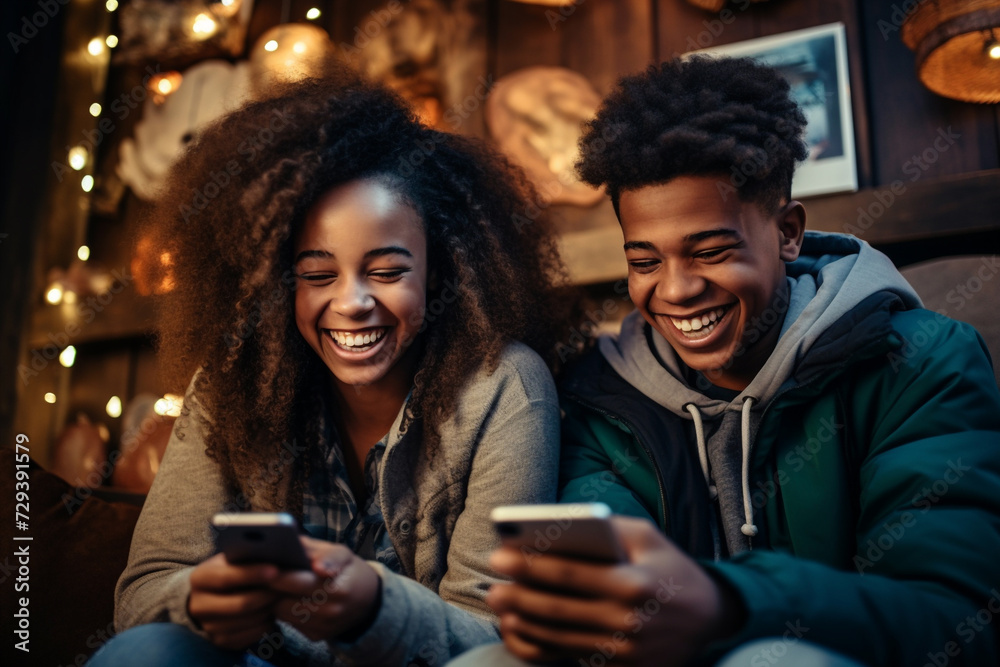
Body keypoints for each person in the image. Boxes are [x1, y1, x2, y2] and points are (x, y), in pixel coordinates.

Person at [459, 56, 1000, 666]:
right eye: (644, 261)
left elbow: (959, 623)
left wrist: (732, 605)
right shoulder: (599, 395)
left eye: (711, 250)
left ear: (788, 232)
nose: (677, 289)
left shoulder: (925, 364)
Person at [88, 72, 572, 667]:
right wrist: (193, 600)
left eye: (388, 272)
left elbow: (493, 638)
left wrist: (374, 605)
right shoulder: (230, 384)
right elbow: (144, 590)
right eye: (317, 276)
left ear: (440, 272)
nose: (351, 303)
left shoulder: (504, 387)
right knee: (147, 651)